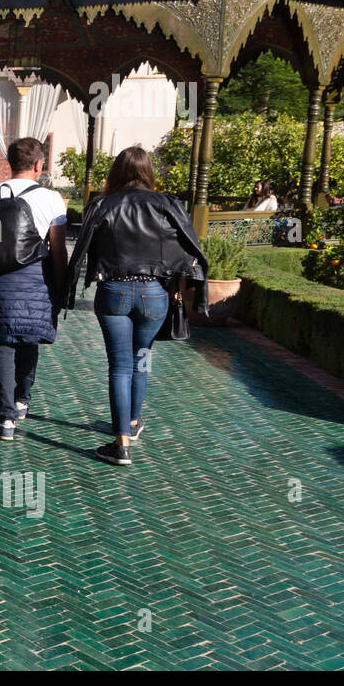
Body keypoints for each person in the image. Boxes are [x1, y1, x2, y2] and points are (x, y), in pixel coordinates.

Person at [63, 146, 208, 467]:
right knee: (142, 358)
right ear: (148, 172)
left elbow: (86, 250)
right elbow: (186, 248)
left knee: (119, 366)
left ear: (116, 172)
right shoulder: (168, 205)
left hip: (114, 290)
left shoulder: (101, 205)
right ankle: (132, 422)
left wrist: (66, 290)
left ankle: (121, 444)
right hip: (154, 294)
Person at [0, 137, 68, 440]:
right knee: (29, 340)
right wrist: (61, 286)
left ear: (9, 164)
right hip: (36, 281)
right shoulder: (51, 199)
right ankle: (22, 399)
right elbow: (59, 249)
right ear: (39, 165)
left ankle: (6, 418)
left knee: (3, 345)